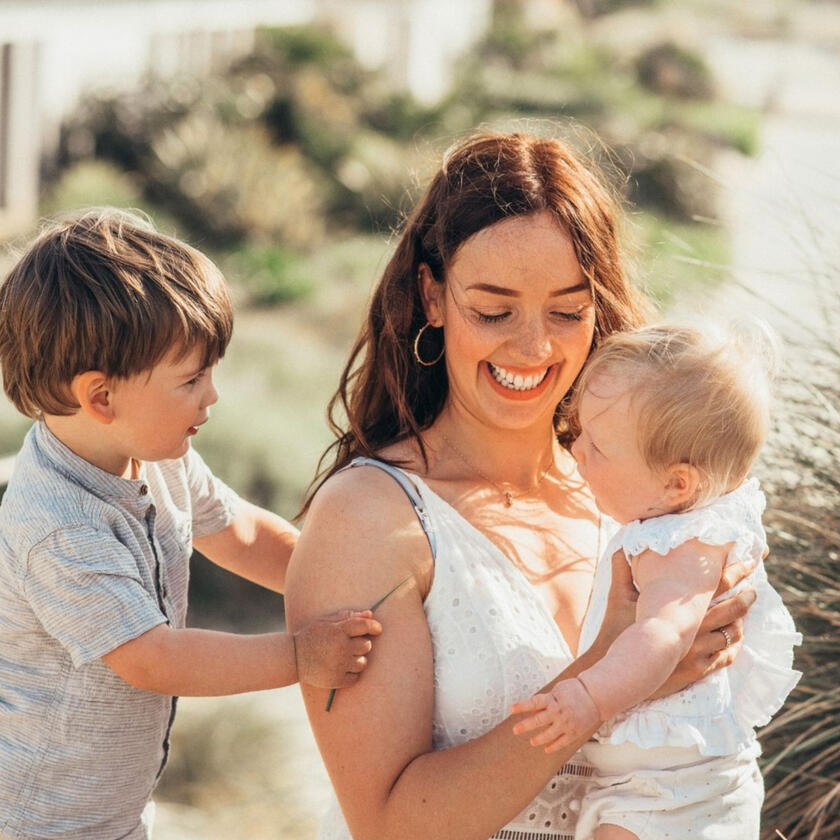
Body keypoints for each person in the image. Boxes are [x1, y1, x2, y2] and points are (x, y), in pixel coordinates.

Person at [284, 131, 756, 840]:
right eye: (493, 310)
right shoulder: (369, 518)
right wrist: (610, 672)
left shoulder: (648, 494)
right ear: (432, 296)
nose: (534, 347)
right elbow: (388, 826)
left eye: (567, 311)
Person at [0, 209, 381, 840]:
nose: (212, 396)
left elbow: (241, 533)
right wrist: (300, 656)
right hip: (46, 821)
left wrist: (355, 585)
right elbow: (154, 660)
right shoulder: (58, 526)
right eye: (192, 379)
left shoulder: (155, 453)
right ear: (101, 397)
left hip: (116, 813)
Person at [511, 324, 801, 839]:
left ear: (676, 483)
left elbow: (664, 634)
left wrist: (590, 698)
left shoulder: (679, 546)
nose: (577, 451)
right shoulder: (686, 520)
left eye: (599, 447)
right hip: (666, 779)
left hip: (670, 792)